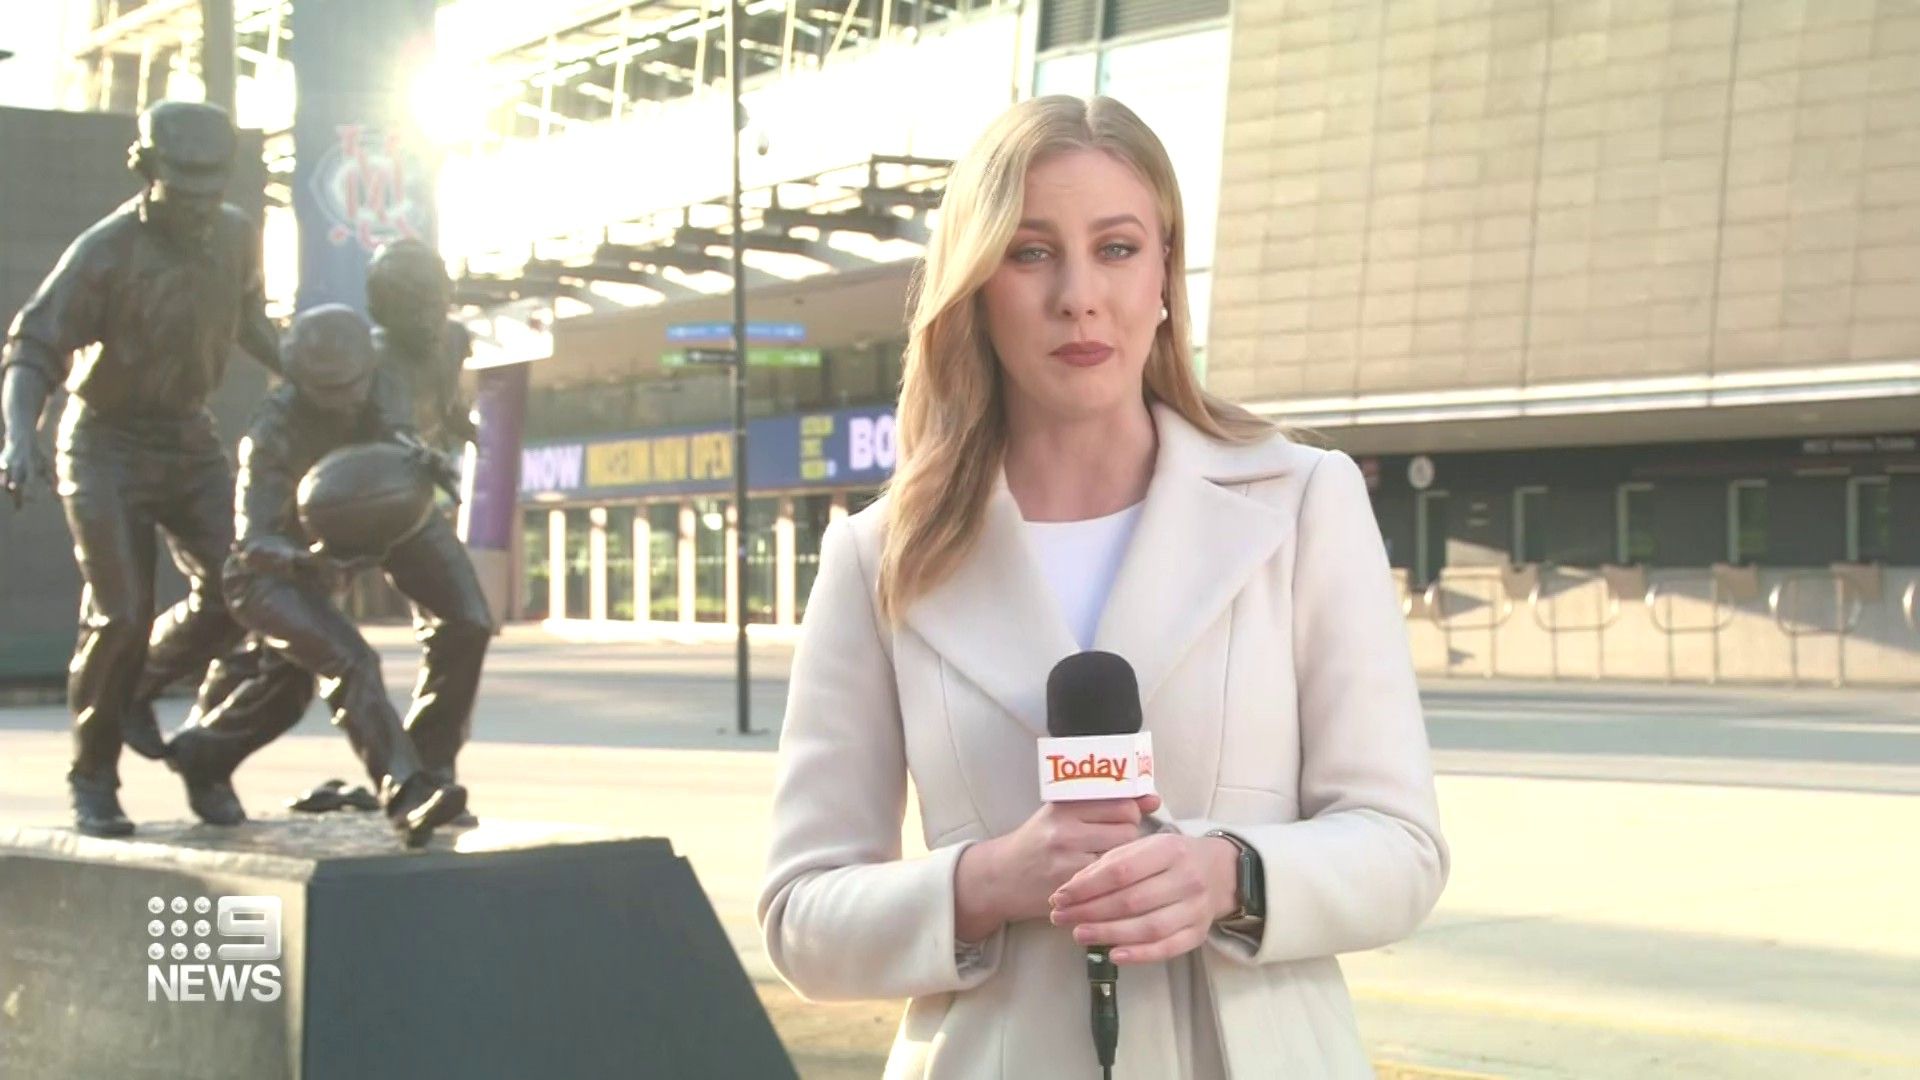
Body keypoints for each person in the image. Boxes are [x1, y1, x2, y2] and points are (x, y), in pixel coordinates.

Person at [757, 95, 1448, 1078]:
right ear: (975, 286)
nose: (1078, 295)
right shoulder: (879, 556)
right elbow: (803, 918)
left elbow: (1402, 848)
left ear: (1165, 272)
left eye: (1117, 248)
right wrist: (987, 881)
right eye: (1031, 253)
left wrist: (1230, 875)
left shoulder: (1303, 502)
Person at [0, 100, 281, 837]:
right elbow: (34, 346)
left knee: (246, 588)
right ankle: (93, 778)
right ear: (148, 170)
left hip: (188, 437)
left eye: (211, 189)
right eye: (183, 188)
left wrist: (315, 376)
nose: (199, 205)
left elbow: (252, 322)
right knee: (120, 614)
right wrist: (19, 435)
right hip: (105, 443)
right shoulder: (106, 251)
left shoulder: (237, 235)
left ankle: (170, 717)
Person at [171, 304, 477, 846]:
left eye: (357, 384)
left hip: (366, 532)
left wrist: (420, 460)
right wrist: (304, 559)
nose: (351, 399)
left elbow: (397, 432)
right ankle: (407, 796)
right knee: (342, 666)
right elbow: (252, 539)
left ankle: (426, 771)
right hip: (270, 575)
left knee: (467, 620)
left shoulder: (379, 377)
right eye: (333, 392)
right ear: (300, 383)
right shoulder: (272, 433)